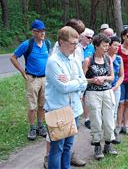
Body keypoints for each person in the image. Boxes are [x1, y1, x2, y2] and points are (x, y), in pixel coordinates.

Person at [44, 26, 87, 169]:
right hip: (58, 110)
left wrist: (71, 81)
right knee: (57, 148)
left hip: (73, 109)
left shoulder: (74, 60)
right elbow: (62, 88)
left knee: (68, 146)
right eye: (72, 43)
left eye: (77, 43)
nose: (76, 47)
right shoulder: (53, 62)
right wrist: (77, 82)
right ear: (61, 42)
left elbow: (85, 82)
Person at [9, 19, 50, 141]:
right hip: (32, 79)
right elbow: (13, 57)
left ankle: (40, 126)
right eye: (39, 31)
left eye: (43, 30)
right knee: (33, 106)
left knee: (42, 104)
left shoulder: (47, 44)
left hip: (45, 78)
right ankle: (32, 128)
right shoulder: (27, 44)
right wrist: (22, 71)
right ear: (33, 32)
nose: (42, 33)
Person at [83, 34, 117, 160]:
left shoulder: (108, 59)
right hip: (93, 93)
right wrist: (93, 80)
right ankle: (97, 145)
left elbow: (112, 77)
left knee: (109, 119)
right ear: (96, 46)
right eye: (104, 45)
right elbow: (82, 79)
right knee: (96, 120)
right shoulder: (88, 60)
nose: (107, 47)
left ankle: (108, 144)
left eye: (108, 45)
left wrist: (103, 78)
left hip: (107, 92)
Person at [107, 36, 124, 144]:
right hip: (103, 89)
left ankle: (112, 134)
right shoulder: (103, 57)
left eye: (118, 45)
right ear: (109, 45)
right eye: (115, 45)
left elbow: (121, 75)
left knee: (113, 111)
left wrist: (116, 86)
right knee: (102, 113)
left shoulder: (119, 59)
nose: (117, 47)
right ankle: (99, 135)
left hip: (116, 88)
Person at [79, 28, 95, 129]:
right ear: (82, 37)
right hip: (76, 74)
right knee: (76, 97)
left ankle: (87, 119)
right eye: (88, 37)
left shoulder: (92, 48)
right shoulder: (76, 47)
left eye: (91, 37)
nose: (90, 39)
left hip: (87, 75)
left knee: (86, 97)